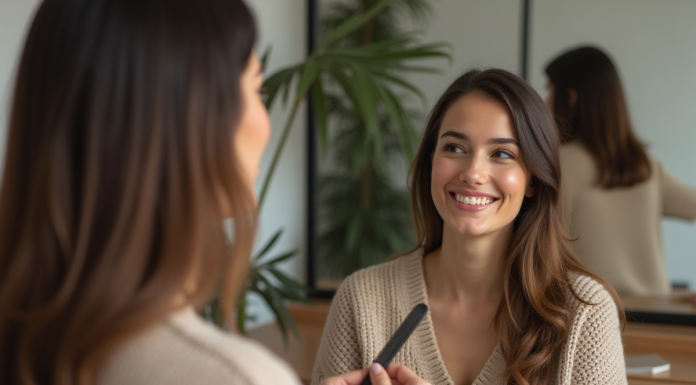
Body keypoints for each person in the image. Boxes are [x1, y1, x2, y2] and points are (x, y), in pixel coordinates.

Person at [0, 1, 427, 384]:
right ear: (191, 119)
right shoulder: (235, 376)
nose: (267, 120)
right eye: (258, 89)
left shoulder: (30, 336)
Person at [312, 69, 628, 385]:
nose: (473, 173)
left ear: (532, 180)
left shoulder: (585, 312)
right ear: (430, 162)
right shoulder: (361, 300)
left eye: (502, 154)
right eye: (454, 148)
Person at [544, 46, 696, 296]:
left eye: (549, 91)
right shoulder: (646, 166)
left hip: (590, 315)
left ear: (570, 97)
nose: (545, 102)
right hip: (656, 318)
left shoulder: (556, 163)